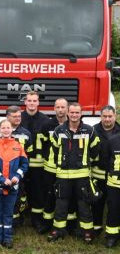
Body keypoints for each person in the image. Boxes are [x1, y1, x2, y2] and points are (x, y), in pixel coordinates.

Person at [49, 102, 100, 243]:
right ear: (67, 113)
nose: (74, 115)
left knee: (84, 205)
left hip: (82, 175)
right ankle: (58, 230)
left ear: (81, 114)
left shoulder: (89, 131)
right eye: (72, 112)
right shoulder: (59, 130)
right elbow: (54, 149)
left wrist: (85, 162)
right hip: (63, 175)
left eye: (77, 112)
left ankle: (87, 232)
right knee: (61, 204)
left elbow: (95, 149)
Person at [0, 120, 28, 248]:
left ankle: (8, 238)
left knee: (9, 213)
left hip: (12, 187)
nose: (6, 130)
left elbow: (24, 164)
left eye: (8, 127)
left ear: (12, 130)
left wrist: (17, 176)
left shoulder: (18, 146)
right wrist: (2, 179)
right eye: (3, 128)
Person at [21, 91, 56, 233]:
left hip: (38, 164)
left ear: (38, 102)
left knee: (38, 192)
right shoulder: (18, 118)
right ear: (25, 102)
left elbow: (49, 143)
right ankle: (18, 217)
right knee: (18, 190)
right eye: (29, 100)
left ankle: (37, 220)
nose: (32, 103)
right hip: (21, 163)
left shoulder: (46, 121)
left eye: (34, 101)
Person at [91, 105, 120, 240]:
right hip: (98, 174)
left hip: (115, 177)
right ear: (100, 117)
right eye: (104, 116)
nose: (107, 119)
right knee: (97, 203)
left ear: (115, 116)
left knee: (114, 205)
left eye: (110, 116)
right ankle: (96, 228)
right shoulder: (93, 131)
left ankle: (112, 231)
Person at [42, 98, 68, 234]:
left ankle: (68, 225)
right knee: (49, 195)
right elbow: (43, 144)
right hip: (51, 167)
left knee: (65, 197)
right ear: (54, 109)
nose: (60, 110)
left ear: (67, 109)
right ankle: (47, 223)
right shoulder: (47, 125)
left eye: (63, 107)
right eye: (58, 107)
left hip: (67, 169)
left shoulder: (73, 125)